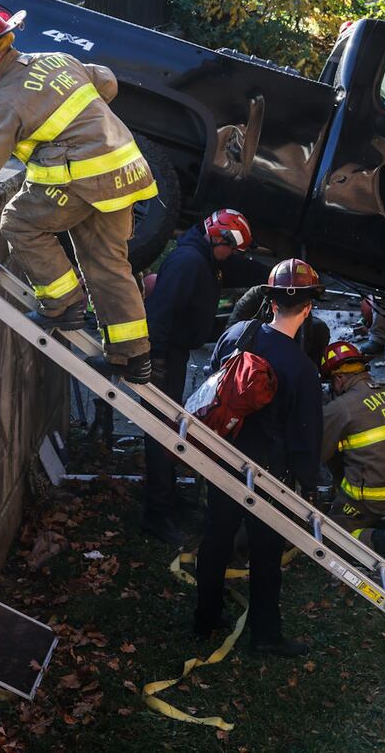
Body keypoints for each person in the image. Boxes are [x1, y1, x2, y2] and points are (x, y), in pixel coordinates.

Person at [0, 4, 157, 383]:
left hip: (81, 181)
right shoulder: (56, 58)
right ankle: (133, 357)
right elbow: (107, 81)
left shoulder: (5, 101)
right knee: (109, 263)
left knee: (18, 222)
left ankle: (63, 304)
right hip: (123, 173)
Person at [193, 258, 324, 657]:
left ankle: (205, 618)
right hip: (268, 473)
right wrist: (307, 483)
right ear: (307, 309)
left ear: (269, 303)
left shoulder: (235, 334)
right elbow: (305, 436)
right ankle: (266, 635)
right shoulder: (301, 368)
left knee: (215, 538)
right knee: (266, 553)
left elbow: (213, 386)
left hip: (223, 457)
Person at [138, 209, 254, 545]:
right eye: (231, 249)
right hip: (164, 358)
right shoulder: (189, 263)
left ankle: (169, 497)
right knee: (160, 434)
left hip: (174, 354)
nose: (231, 257)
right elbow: (160, 311)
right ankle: (155, 513)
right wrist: (155, 360)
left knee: (170, 429)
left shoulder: (203, 257)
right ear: (219, 239)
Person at [316, 340, 385, 569]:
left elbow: (318, 454)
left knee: (328, 532)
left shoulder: (341, 407)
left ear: (339, 379)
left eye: (331, 381)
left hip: (373, 498)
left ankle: (380, 542)